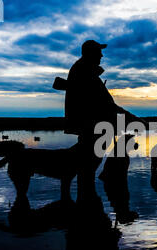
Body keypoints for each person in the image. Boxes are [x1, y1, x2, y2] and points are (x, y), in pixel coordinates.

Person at [64, 40, 138, 204]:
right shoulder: (85, 72)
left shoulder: (84, 71)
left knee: (87, 171)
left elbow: (106, 105)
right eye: (98, 52)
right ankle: (89, 214)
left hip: (92, 129)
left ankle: (88, 210)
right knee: (87, 171)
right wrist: (131, 117)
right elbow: (107, 105)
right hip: (92, 129)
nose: (102, 55)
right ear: (90, 53)